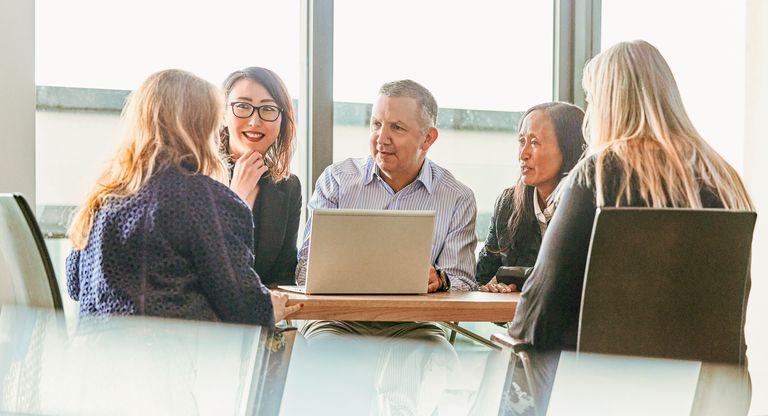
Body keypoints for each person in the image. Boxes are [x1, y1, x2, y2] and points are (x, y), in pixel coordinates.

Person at [508, 40, 755, 413]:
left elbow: (540, 309)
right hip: (709, 394)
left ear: (608, 102)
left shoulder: (600, 173)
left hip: (604, 393)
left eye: (591, 99)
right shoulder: (724, 178)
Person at [65, 69, 301, 327]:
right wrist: (269, 307)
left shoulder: (106, 195)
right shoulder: (202, 197)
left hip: (97, 356)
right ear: (197, 127)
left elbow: (74, 283)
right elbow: (242, 306)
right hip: (173, 356)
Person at [294, 79, 477, 413]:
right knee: (324, 358)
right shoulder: (336, 181)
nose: (382, 137)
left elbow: (463, 280)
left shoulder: (457, 197)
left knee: (442, 364)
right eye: (376, 124)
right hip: (338, 321)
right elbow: (305, 267)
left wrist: (441, 280)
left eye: (397, 127)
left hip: (415, 324)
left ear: (428, 137)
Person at [477, 102, 585, 292]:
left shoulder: (591, 205)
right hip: (520, 320)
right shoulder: (508, 203)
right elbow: (482, 280)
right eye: (521, 142)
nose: (523, 154)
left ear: (569, 148)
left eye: (534, 142)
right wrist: (495, 289)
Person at [220, 67, 301, 287]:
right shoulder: (197, 173)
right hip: (206, 318)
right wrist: (235, 197)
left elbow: (283, 274)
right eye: (243, 106)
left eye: (267, 109)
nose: (255, 121)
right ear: (223, 115)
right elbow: (199, 264)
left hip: (262, 315)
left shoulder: (288, 186)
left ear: (281, 120)